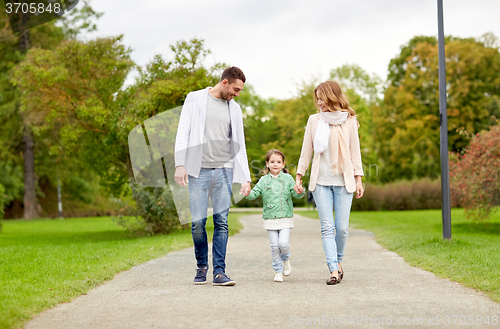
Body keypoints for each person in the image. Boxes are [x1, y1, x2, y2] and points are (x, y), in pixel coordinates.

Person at [174, 67, 251, 286]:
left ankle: (219, 272)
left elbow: (240, 144)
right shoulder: (195, 98)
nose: (237, 94)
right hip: (199, 171)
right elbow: (183, 131)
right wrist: (180, 164)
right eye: (235, 89)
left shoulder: (234, 108)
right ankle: (201, 267)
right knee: (198, 222)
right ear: (224, 82)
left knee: (222, 222)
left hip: (225, 170)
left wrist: (245, 176)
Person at [294, 81, 364, 285]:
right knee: (327, 227)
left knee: (341, 228)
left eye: (321, 98)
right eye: (316, 99)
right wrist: (299, 175)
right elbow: (306, 151)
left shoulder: (349, 121)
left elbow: (355, 152)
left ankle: (338, 261)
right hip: (321, 181)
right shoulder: (314, 120)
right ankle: (333, 269)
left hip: (344, 180)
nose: (318, 102)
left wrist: (359, 179)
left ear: (332, 96)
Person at [245, 149, 305, 282]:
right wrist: (247, 193)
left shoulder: (288, 178)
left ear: (283, 164)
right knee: (274, 246)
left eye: (278, 162)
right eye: (272, 162)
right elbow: (253, 194)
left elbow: (296, 194)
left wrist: (300, 191)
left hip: (285, 217)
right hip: (270, 218)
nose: (275, 164)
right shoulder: (263, 180)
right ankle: (278, 271)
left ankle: (286, 259)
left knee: (283, 243)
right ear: (267, 164)